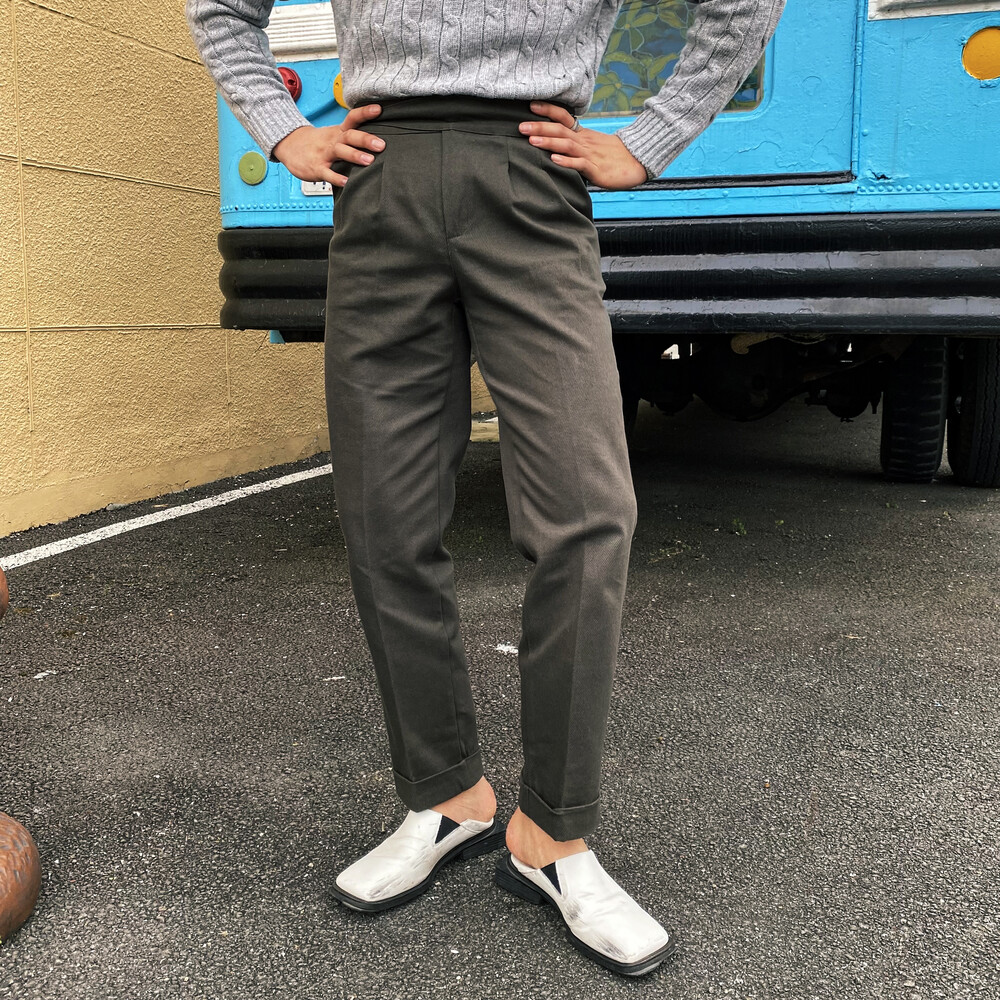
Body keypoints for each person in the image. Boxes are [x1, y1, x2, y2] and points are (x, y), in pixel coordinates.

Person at [186, 0, 784, 977]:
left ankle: (552, 831)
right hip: (378, 179)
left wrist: (650, 139)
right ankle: (445, 795)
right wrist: (282, 130)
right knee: (383, 516)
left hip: (531, 173)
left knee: (588, 517)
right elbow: (222, 8)